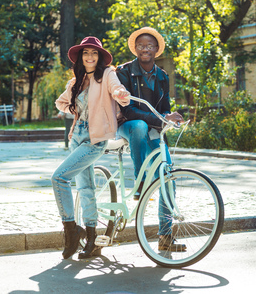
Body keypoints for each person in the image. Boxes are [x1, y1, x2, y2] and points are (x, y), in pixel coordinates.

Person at [52, 36, 130, 260]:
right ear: (80, 57)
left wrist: (120, 95)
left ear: (100, 57)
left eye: (94, 53)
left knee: (59, 178)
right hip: (76, 136)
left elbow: (117, 90)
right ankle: (92, 239)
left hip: (95, 139)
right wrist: (72, 110)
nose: (90, 57)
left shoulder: (106, 75)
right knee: (85, 189)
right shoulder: (76, 81)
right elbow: (61, 102)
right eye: (86, 53)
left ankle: (72, 231)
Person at [116, 27, 186, 252]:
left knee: (168, 175)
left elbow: (164, 109)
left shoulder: (163, 75)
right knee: (139, 125)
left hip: (153, 127)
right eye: (140, 45)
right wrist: (160, 119)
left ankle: (165, 237)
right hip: (129, 125)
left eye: (149, 45)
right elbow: (128, 111)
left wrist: (170, 117)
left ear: (156, 49)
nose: (145, 48)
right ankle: (140, 181)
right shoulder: (124, 72)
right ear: (135, 49)